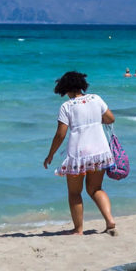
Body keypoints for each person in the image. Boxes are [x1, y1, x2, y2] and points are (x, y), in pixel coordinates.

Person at [43, 71, 118, 236]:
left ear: (65, 88)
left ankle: (78, 229)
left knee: (75, 193)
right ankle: (110, 220)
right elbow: (110, 118)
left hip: (79, 154)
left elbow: (60, 134)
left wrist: (51, 154)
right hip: (100, 152)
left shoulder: (67, 106)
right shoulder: (96, 99)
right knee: (96, 189)